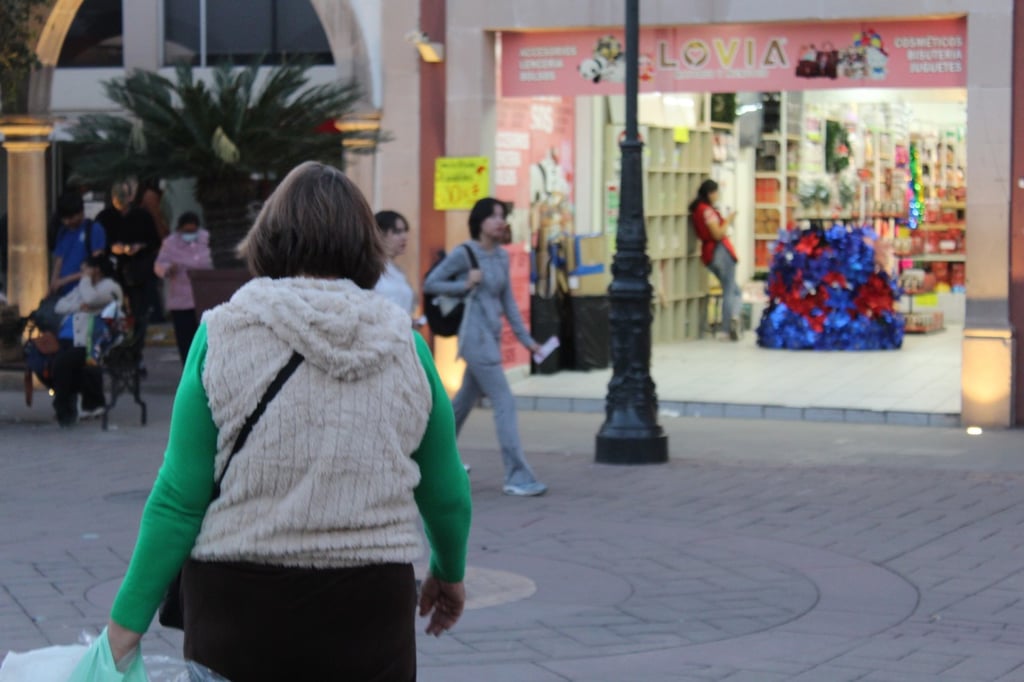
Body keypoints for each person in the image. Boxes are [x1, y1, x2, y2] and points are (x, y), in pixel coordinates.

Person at [104, 161, 472, 681]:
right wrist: (449, 573)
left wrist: (125, 627)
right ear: (365, 245)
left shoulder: (222, 335)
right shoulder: (407, 350)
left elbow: (178, 498)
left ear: (270, 238)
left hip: (238, 615)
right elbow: (447, 490)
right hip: (369, 613)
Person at [423, 197, 548, 497]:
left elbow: (508, 304)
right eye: (493, 216)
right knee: (504, 402)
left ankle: (431, 461)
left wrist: (527, 341)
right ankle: (517, 475)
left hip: (490, 337)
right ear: (479, 222)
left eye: (502, 216)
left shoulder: (502, 257)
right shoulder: (465, 254)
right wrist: (464, 284)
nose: (499, 221)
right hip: (475, 339)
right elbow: (431, 284)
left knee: (462, 404)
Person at [51, 254, 123, 426]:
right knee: (53, 363)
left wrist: (85, 281)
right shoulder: (84, 287)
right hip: (73, 339)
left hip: (95, 344)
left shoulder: (110, 287)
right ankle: (73, 403)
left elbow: (91, 299)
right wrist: (78, 306)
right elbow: (59, 305)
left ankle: (64, 409)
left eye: (85, 269)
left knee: (62, 363)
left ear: (96, 269)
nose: (82, 272)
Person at [154, 211, 213, 363]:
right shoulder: (170, 243)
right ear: (180, 229)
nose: (190, 235)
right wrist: (168, 269)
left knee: (205, 341)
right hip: (181, 302)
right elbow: (159, 265)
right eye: (187, 232)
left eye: (193, 231)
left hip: (203, 299)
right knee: (185, 342)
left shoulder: (205, 238)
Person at [690, 179, 742, 341]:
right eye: (716, 192)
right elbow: (717, 234)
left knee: (734, 290)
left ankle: (733, 318)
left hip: (709, 254)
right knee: (730, 290)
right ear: (710, 193)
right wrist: (728, 219)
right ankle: (728, 325)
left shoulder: (697, 210)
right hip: (720, 251)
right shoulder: (708, 211)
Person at [50, 191, 107, 297]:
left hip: (85, 293)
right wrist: (53, 284)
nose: (67, 222)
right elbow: (59, 261)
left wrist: (65, 280)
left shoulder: (94, 229)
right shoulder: (63, 232)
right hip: (63, 294)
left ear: (80, 212)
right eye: (64, 219)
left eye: (70, 218)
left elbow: (97, 267)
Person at [373, 209, 417, 320]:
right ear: (380, 233)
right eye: (397, 232)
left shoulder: (399, 272)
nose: (404, 237)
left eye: (405, 231)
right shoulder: (369, 269)